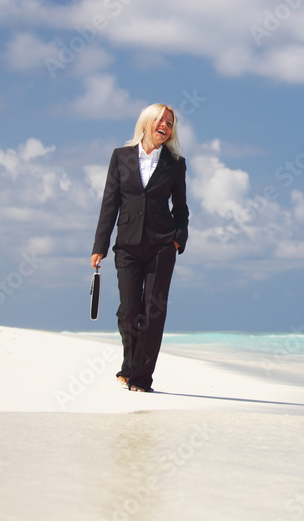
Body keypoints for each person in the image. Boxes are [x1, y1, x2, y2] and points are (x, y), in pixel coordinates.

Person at [91, 103, 189, 392]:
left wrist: (178, 239)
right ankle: (129, 366)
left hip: (162, 246)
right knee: (129, 311)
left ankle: (141, 379)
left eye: (170, 123)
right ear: (147, 122)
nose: (165, 126)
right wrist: (100, 245)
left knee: (153, 313)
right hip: (127, 246)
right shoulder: (121, 158)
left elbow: (181, 208)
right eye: (161, 120)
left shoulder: (175, 163)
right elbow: (110, 203)